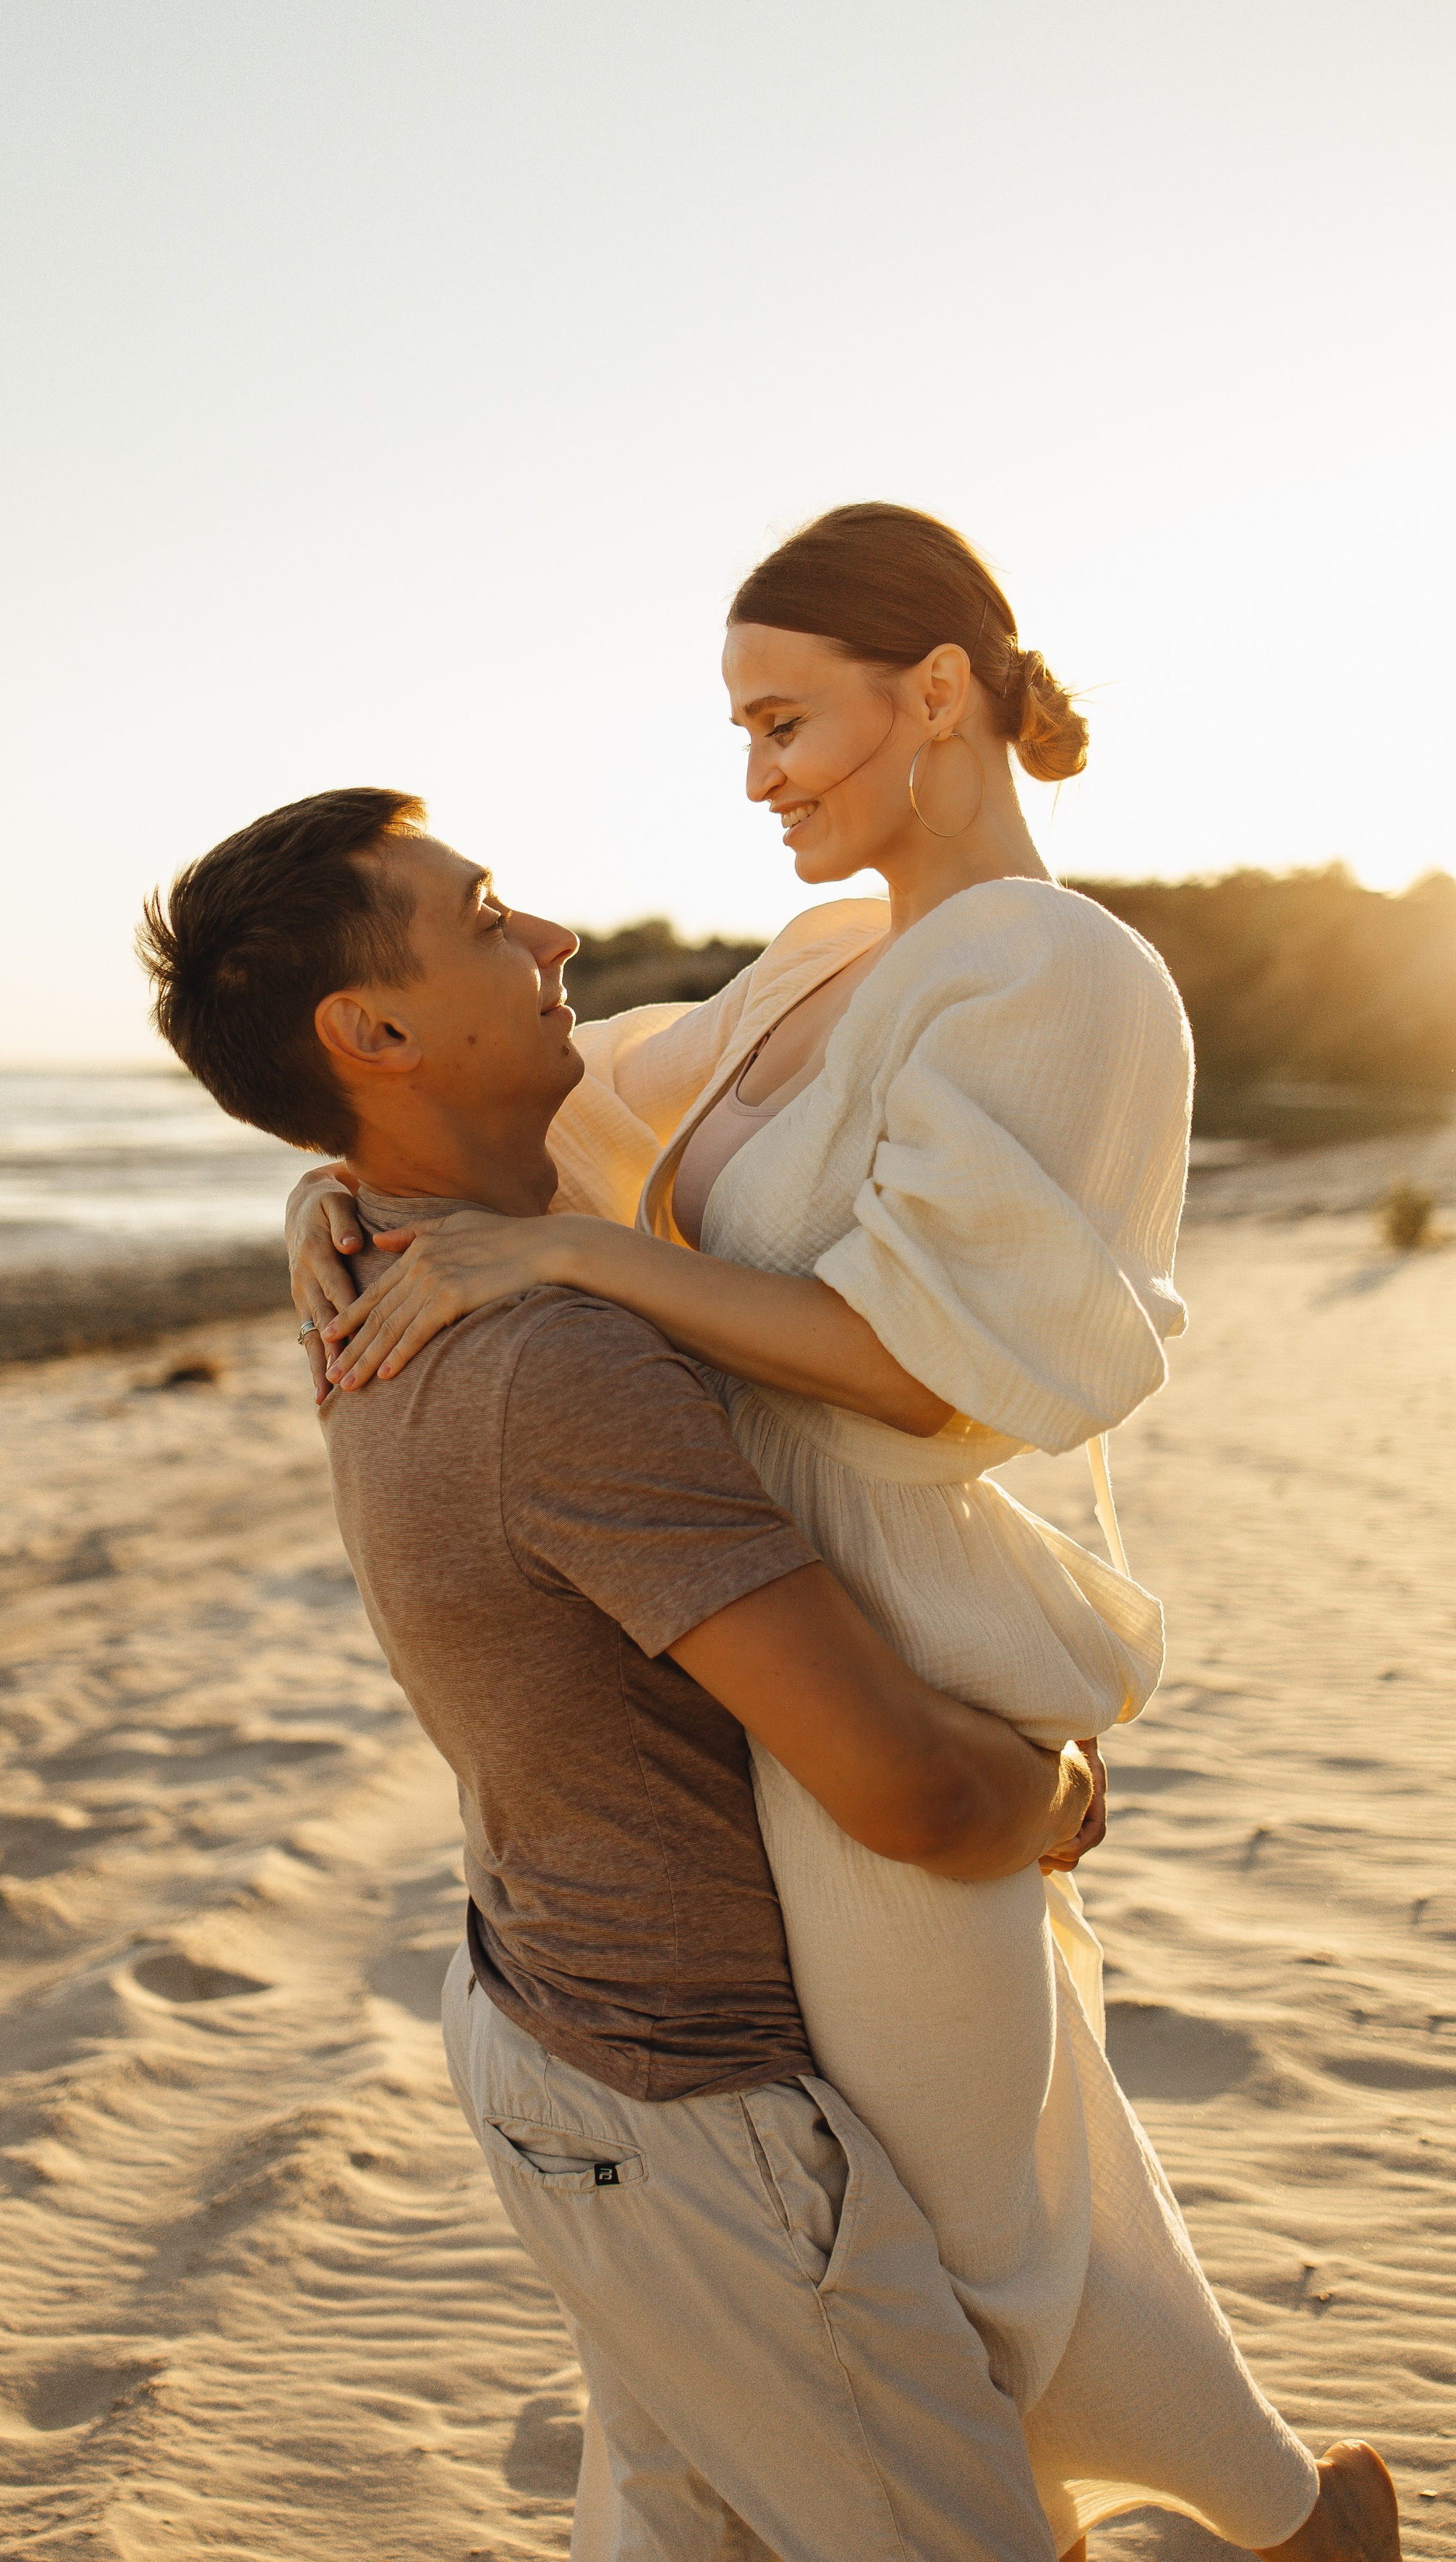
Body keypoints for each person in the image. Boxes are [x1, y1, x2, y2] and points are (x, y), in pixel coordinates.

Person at [284, 506, 1402, 2559]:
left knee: (946, 2214)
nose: (756, 774)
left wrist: (572, 1272)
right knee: (975, 2163)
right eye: (740, 726)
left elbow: (924, 1357)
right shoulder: (831, 956)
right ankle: (1279, 2519)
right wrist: (347, 1193)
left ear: (942, 696)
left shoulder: (1064, 975)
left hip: (893, 1627)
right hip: (748, 1617)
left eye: (786, 719)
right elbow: (577, 1103)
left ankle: (1118, 2525)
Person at [139, 786, 1102, 2562]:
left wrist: (323, 1184)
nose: (554, 938)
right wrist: (1065, 1794)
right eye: (489, 915)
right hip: (689, 2117)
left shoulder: (381, 1253)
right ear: (377, 1032)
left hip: (547, 2034)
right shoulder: (548, 1358)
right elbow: (904, 1789)